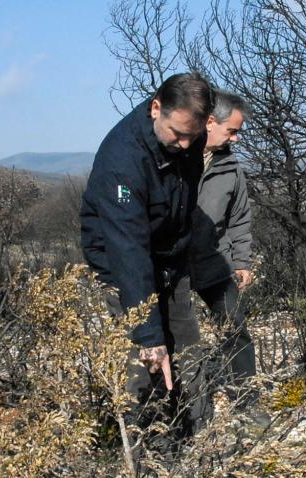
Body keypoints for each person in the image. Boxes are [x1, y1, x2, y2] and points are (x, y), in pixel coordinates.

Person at [80, 72, 215, 442]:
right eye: (177, 134)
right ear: (156, 109)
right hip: (124, 265)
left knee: (188, 351)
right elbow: (128, 252)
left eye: (194, 135)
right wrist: (149, 335)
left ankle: (201, 444)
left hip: (171, 258)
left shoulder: (189, 133)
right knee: (147, 362)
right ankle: (150, 456)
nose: (186, 145)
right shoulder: (121, 160)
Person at [190, 89, 256, 399]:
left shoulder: (231, 169)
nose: (236, 139)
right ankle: (184, 407)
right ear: (210, 122)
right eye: (233, 131)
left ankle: (246, 400)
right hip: (171, 265)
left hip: (214, 261)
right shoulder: (174, 157)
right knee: (178, 337)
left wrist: (242, 261)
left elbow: (239, 217)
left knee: (235, 330)